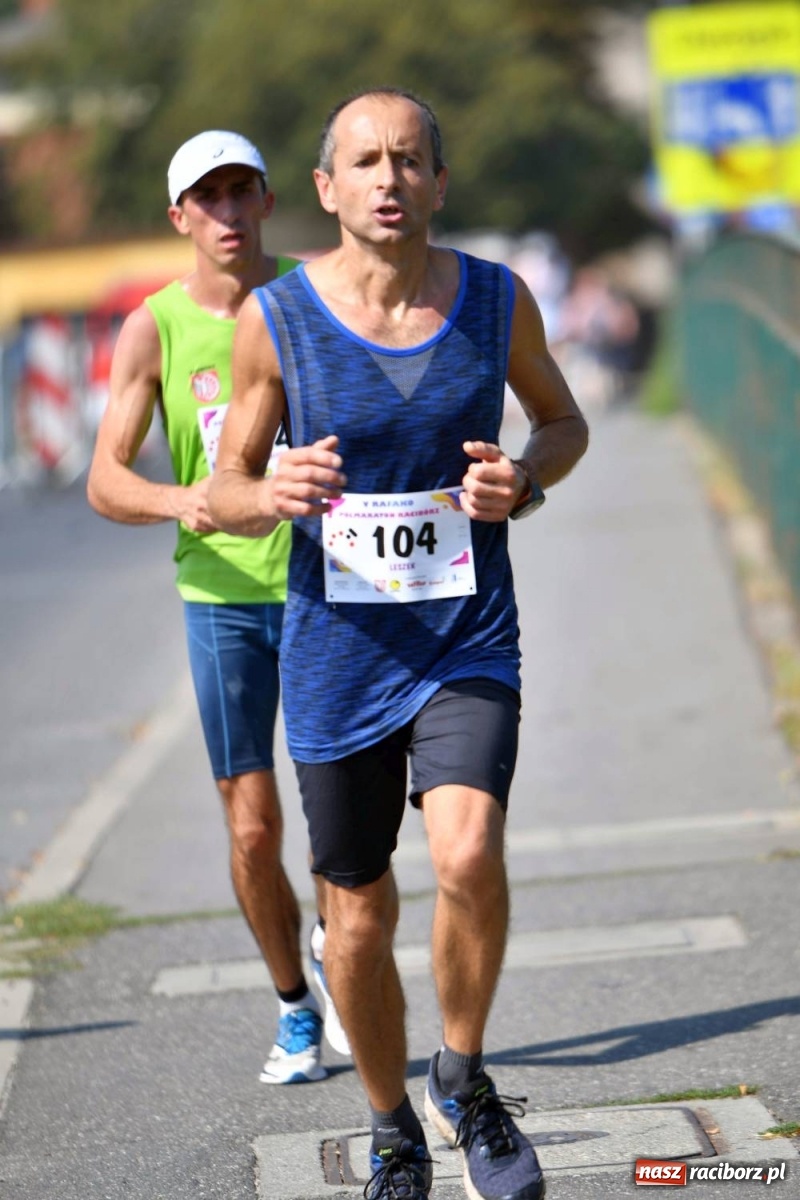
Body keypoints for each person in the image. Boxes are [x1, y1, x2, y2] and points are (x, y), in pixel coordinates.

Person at [208, 89, 588, 1200]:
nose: (388, 178)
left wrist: (521, 479)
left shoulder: (492, 300)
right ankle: (390, 1128)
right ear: (325, 191)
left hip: (465, 635)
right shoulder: (273, 320)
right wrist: (267, 488)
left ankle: (461, 1079)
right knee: (358, 921)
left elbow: (560, 423)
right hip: (336, 659)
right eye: (364, 161)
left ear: (437, 182)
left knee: (468, 855)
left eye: (409, 160)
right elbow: (225, 486)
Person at [86, 129, 349, 1085]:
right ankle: (293, 1010)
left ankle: (344, 953)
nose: (228, 214)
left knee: (339, 814)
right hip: (222, 599)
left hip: (326, 584)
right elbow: (104, 479)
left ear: (271, 202)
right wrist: (180, 499)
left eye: (243, 194)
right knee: (251, 828)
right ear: (179, 217)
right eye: (209, 200)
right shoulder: (153, 327)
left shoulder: (314, 296)